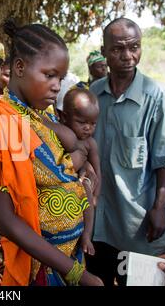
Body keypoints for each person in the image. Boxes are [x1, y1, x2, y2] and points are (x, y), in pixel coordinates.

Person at [0, 19, 103, 286]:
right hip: (37, 268)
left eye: (60, 78)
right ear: (20, 67)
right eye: (49, 75)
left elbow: (67, 163)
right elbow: (4, 220)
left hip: (71, 255)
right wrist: (76, 273)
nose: (57, 86)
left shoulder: (43, 115)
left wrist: (82, 172)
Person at [87, 17, 165, 286]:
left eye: (134, 47)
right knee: (97, 278)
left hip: (138, 224)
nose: (127, 56)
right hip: (99, 222)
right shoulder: (94, 93)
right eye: (118, 49)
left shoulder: (158, 96)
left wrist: (160, 208)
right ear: (104, 51)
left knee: (138, 282)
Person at [60, 88, 102, 256]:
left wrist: (95, 195)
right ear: (64, 117)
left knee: (86, 192)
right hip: (62, 189)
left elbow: (97, 169)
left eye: (93, 124)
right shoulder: (61, 133)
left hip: (81, 185)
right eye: (82, 122)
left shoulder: (90, 143)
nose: (88, 128)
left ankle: (86, 236)